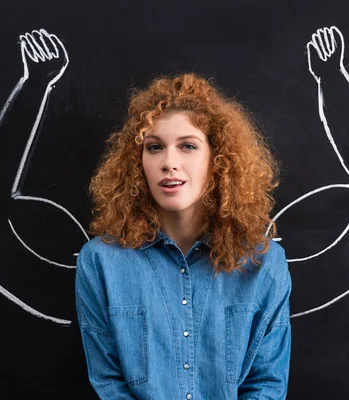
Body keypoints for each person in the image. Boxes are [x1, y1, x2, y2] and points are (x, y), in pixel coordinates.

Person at [75, 73, 291, 399]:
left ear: (217, 160)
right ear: (138, 162)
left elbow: (266, 386)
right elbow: (110, 385)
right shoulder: (101, 262)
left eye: (188, 146)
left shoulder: (264, 263)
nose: (169, 163)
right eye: (154, 147)